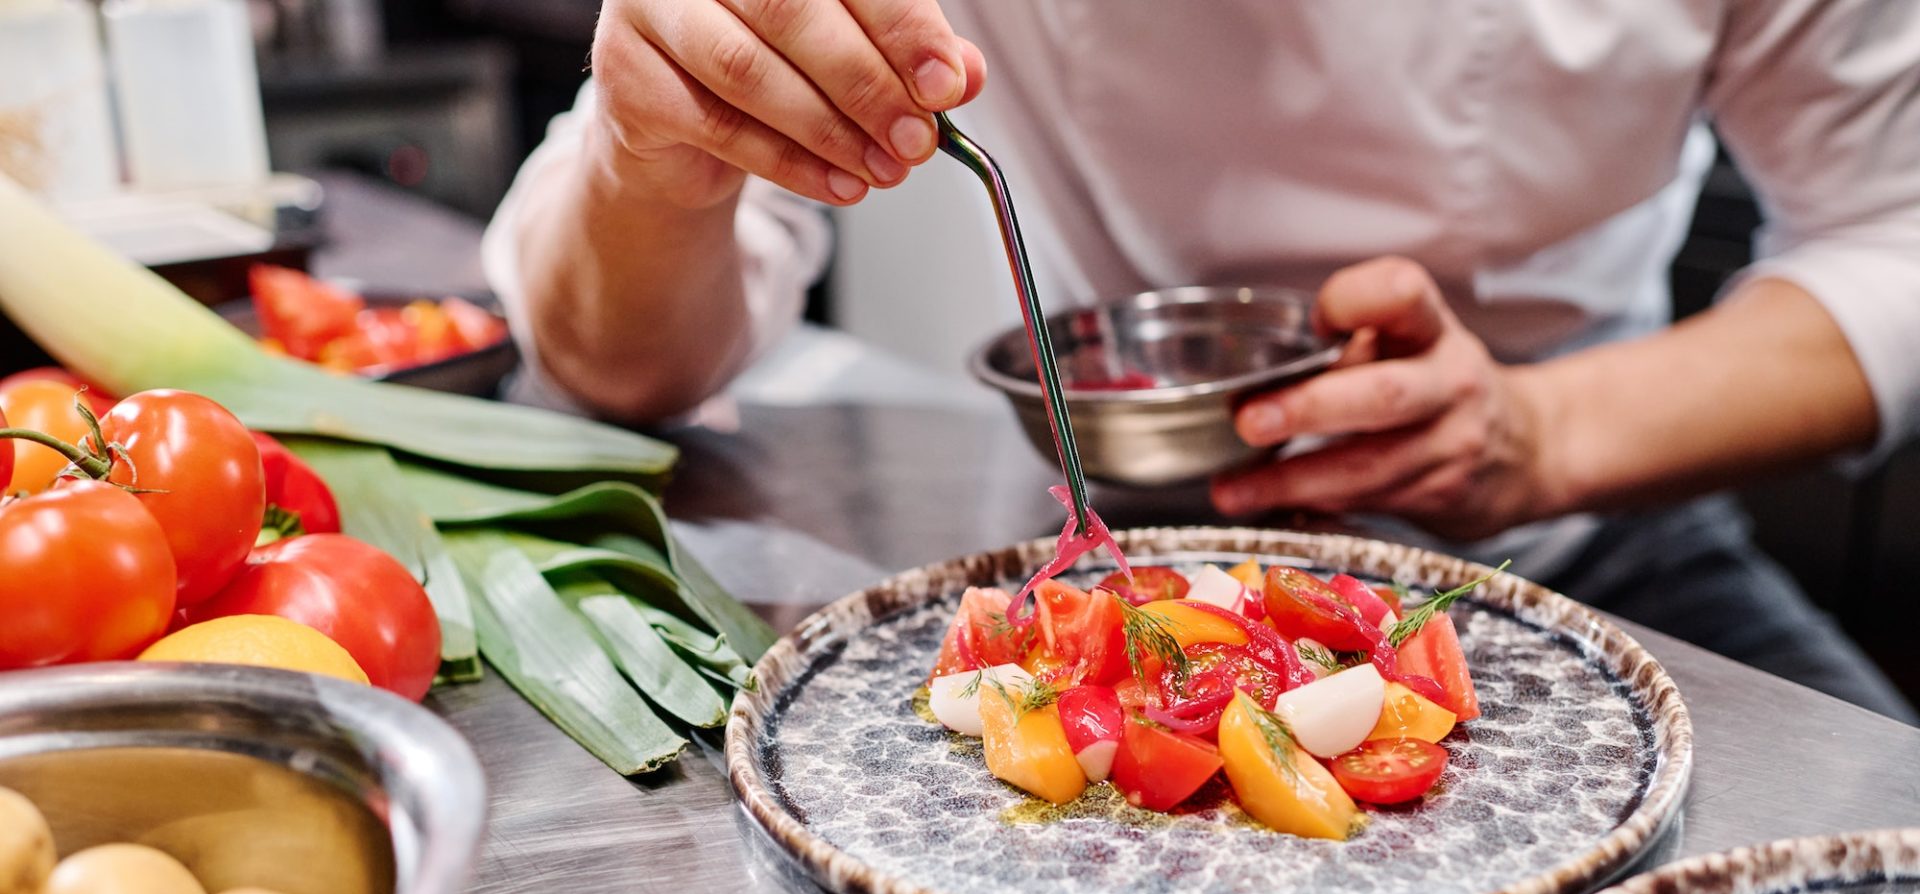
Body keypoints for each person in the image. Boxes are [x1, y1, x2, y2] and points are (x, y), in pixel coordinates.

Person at [481, 0, 1920, 723]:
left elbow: (1897, 230)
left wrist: (1538, 434)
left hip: (1602, 529)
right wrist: (654, 152)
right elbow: (618, 369)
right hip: (1130, 549)